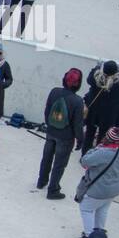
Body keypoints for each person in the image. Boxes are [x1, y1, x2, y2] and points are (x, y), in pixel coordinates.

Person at [38, 68, 85, 200]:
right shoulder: (77, 101)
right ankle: (53, 190)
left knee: (46, 158)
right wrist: (80, 139)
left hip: (51, 131)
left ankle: (41, 181)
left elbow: (47, 110)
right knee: (59, 164)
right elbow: (77, 123)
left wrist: (49, 124)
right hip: (65, 137)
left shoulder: (54, 91)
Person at [74, 128, 119, 238]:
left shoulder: (102, 152)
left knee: (86, 209)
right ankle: (99, 230)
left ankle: (89, 236)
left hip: (98, 189)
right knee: (102, 209)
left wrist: (97, 148)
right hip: (114, 189)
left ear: (106, 138)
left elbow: (84, 161)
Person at [81, 60, 119, 153]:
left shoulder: (95, 78)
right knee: (102, 137)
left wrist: (98, 67)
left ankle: (84, 157)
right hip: (109, 116)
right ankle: (96, 157)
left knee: (89, 134)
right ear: (116, 72)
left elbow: (91, 74)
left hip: (92, 113)